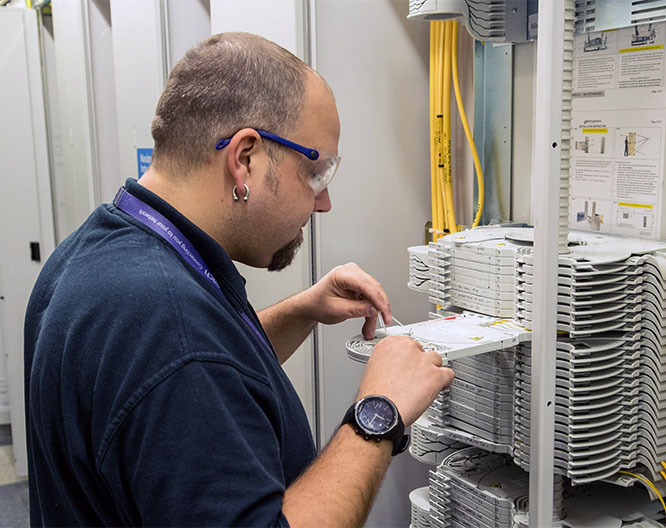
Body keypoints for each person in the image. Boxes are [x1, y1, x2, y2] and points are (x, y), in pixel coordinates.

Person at [24, 32, 454, 527]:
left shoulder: (100, 251)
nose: (323, 202)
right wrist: (378, 413)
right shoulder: (166, 322)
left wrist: (303, 309)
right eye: (316, 173)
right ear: (245, 158)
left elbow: (193, 376)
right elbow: (188, 360)